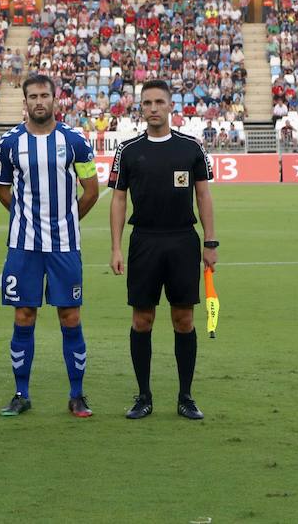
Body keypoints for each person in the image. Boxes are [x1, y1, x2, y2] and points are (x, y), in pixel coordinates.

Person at [108, 79, 218, 421]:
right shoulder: (127, 150)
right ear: (140, 108)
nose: (153, 108)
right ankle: (143, 396)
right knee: (142, 320)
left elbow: (203, 195)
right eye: (147, 103)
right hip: (144, 241)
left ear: (171, 106)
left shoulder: (191, 147)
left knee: (183, 319)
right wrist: (116, 247)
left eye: (159, 102)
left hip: (183, 240)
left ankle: (186, 396)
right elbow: (118, 199)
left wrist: (210, 242)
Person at [0, 75, 100, 418]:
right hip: (23, 246)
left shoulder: (75, 142)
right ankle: (21, 394)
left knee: (70, 316)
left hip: (64, 246)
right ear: (25, 102)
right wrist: (27, 220)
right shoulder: (10, 144)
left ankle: (77, 395)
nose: (39, 101)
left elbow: (91, 191)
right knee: (24, 316)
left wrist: (65, 220)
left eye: (45, 95)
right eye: (33, 96)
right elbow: (3, 190)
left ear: (56, 99)